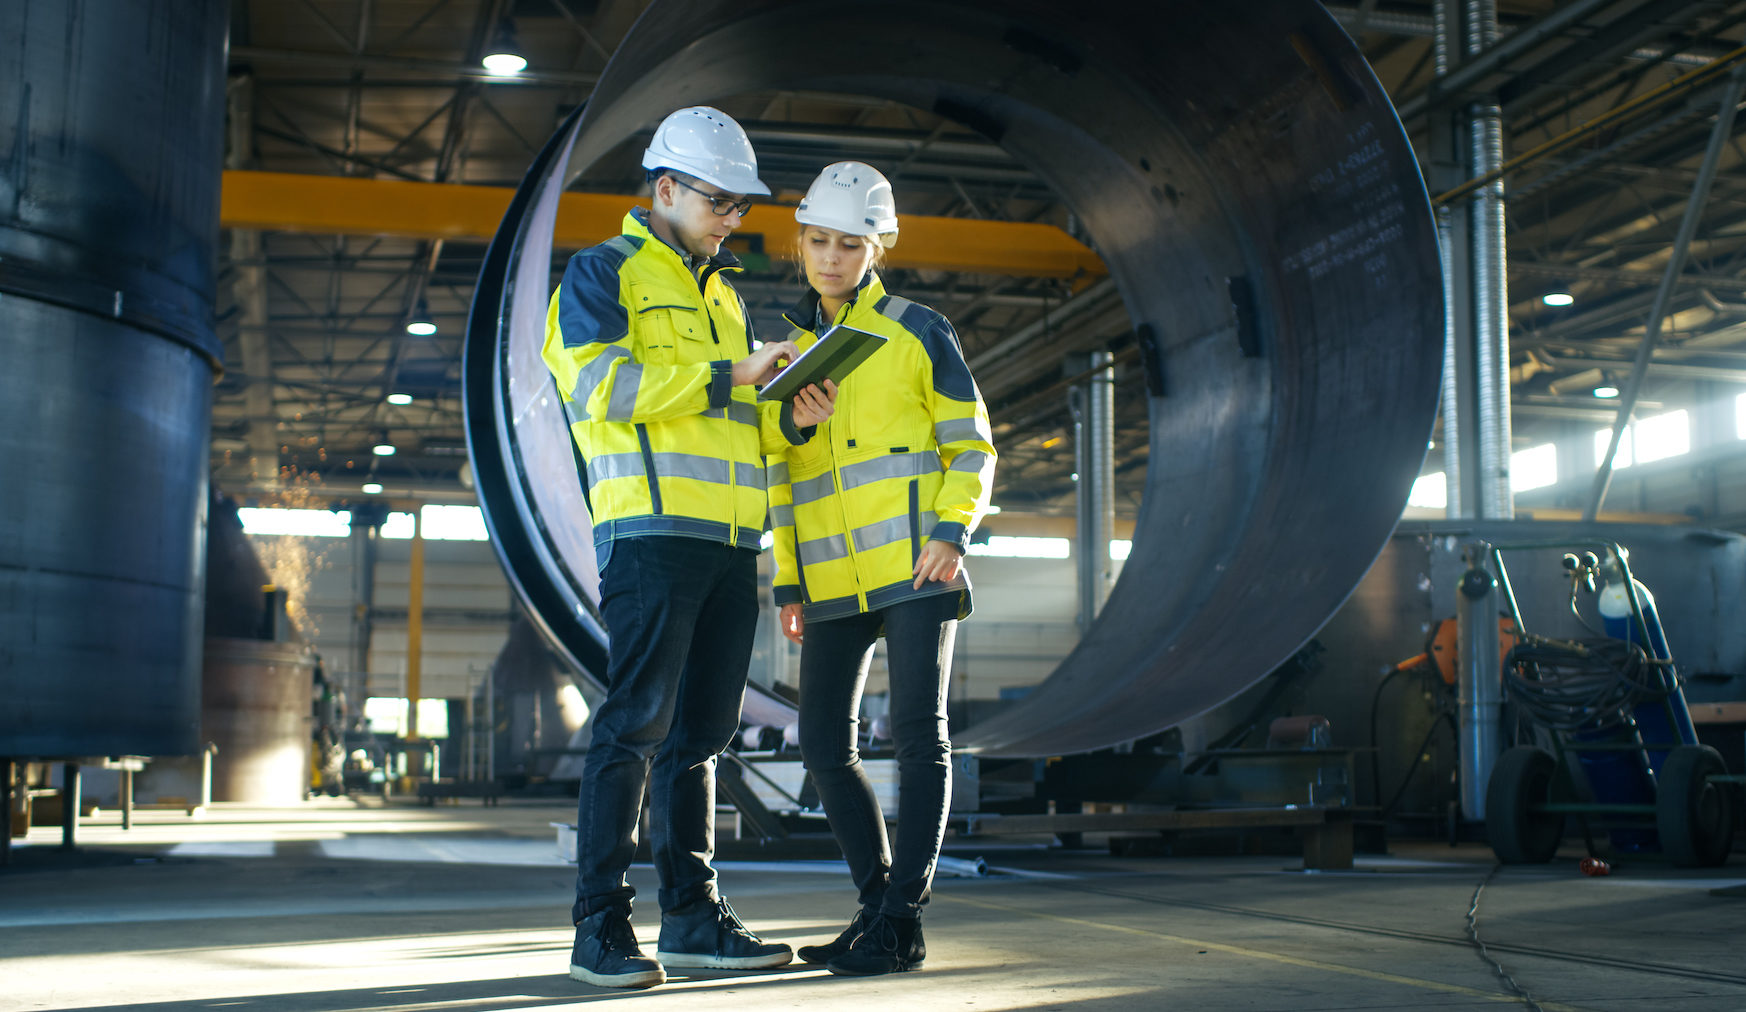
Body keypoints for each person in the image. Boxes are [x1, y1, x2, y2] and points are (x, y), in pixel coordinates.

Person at [541, 106, 836, 989]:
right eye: (718, 199)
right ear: (663, 188)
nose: (731, 217)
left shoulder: (727, 298)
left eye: (741, 206)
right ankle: (598, 929)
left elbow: (738, 429)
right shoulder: (604, 273)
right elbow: (599, 386)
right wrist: (735, 372)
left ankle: (692, 919)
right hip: (651, 536)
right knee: (634, 728)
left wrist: (791, 414)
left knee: (702, 739)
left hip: (728, 545)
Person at [769, 161, 997, 976]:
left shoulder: (918, 329)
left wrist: (952, 531)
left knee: (917, 739)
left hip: (915, 569)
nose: (832, 258)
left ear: (880, 245)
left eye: (850, 244)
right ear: (800, 242)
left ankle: (902, 918)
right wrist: (788, 580)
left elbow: (972, 444)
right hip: (830, 581)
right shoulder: (786, 350)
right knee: (824, 744)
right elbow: (782, 478)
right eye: (820, 242)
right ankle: (875, 908)